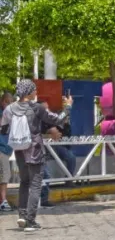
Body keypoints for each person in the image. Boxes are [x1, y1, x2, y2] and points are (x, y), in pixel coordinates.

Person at [0, 80, 71, 232]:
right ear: (29, 92)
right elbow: (57, 120)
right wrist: (68, 107)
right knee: (35, 184)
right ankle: (30, 221)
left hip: (19, 149)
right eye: (34, 90)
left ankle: (22, 215)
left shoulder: (9, 109)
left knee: (24, 182)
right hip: (35, 149)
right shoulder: (36, 108)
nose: (35, 92)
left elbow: (4, 130)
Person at [0, 91, 13, 211]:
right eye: (6, 102)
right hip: (2, 148)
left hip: (6, 149)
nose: (8, 105)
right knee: (5, 175)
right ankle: (3, 201)